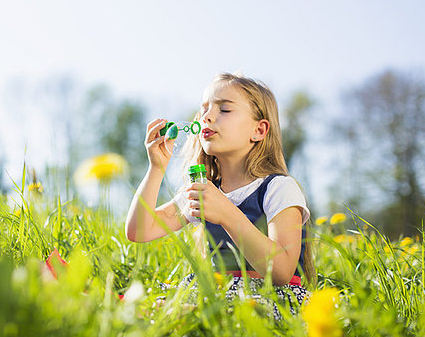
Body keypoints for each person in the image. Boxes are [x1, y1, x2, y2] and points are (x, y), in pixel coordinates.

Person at [125, 72, 314, 318]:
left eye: (224, 110)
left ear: (259, 130)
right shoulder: (204, 189)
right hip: (216, 291)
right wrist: (156, 169)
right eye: (204, 110)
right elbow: (139, 231)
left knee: (188, 316)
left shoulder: (278, 187)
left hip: (269, 299)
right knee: (142, 309)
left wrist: (226, 213)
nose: (208, 117)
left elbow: (282, 272)